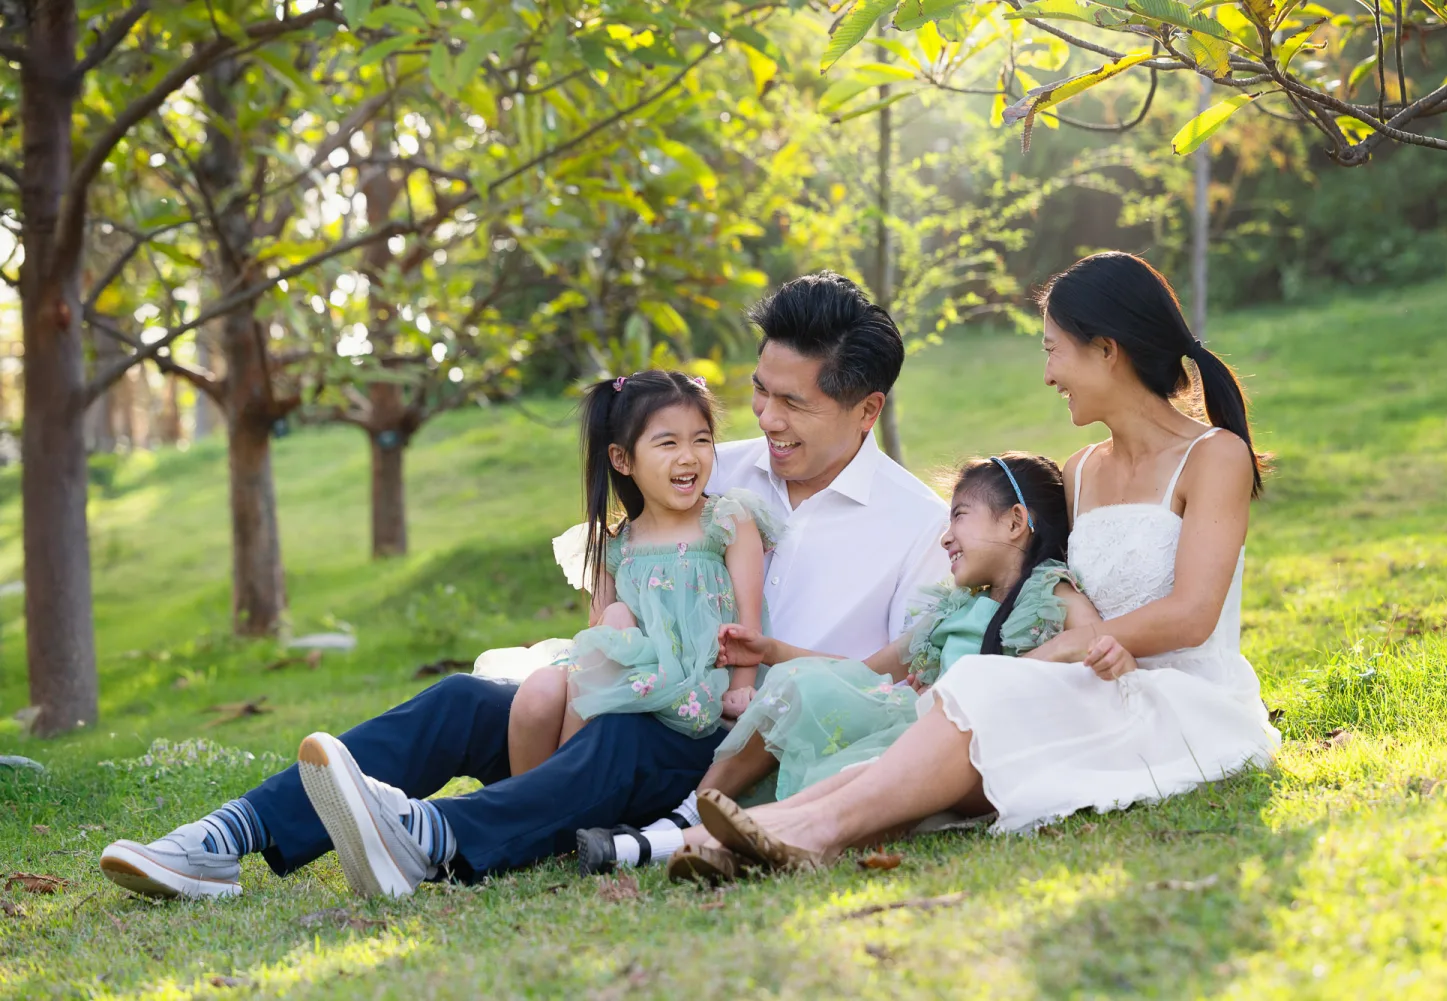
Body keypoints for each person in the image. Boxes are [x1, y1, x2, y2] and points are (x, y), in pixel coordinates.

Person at [98, 270, 948, 900]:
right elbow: (627, 562)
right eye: (760, 392)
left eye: (793, 404)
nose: (766, 419)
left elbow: (905, 686)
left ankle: (432, 838)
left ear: (866, 410)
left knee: (631, 741)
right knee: (464, 701)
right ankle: (226, 835)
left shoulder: (916, 526)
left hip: (733, 744)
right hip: (639, 702)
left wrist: (765, 674)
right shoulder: (713, 464)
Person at [678, 251, 1283, 875]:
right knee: (959, 707)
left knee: (985, 695)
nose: (1049, 374)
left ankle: (808, 832)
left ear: (1106, 349)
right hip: (1088, 681)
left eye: (1054, 350)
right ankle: (762, 831)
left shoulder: (1214, 456)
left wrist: (1056, 655)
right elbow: (1047, 589)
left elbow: (1192, 615)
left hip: (1179, 699)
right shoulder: (1081, 470)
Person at [586, 453, 1137, 879]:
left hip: (951, 748)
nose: (946, 535)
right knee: (803, 686)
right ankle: (689, 816)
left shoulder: (1051, 593)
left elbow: (1098, 642)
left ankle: (676, 844)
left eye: (961, 517)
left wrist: (1097, 652)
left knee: (855, 772)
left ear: (1016, 522)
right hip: (912, 720)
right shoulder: (954, 607)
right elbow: (869, 669)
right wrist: (774, 653)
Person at [488, 373, 779, 775]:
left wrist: (743, 685)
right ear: (622, 459)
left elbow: (749, 622)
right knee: (538, 691)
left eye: (701, 439)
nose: (689, 456)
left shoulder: (726, 520)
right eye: (668, 443)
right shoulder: (616, 543)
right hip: (630, 676)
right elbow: (596, 642)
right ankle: (529, 801)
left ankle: (555, 796)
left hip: (695, 683)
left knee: (616, 625)